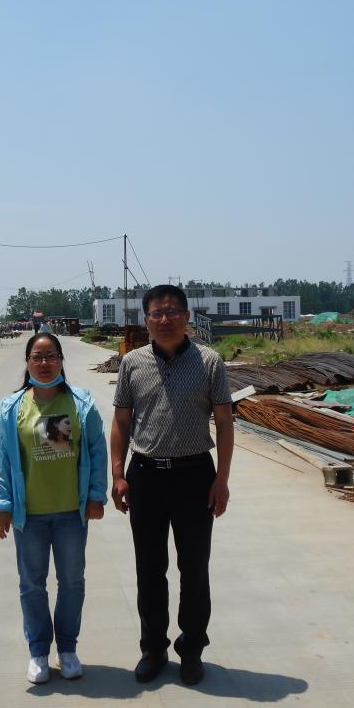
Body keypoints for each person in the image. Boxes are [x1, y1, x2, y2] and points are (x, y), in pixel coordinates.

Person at [110, 285, 233, 685]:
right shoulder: (132, 363)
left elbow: (225, 424)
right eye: (157, 314)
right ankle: (154, 648)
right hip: (145, 476)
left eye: (172, 312)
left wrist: (222, 480)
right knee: (149, 569)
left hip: (195, 476)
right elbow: (122, 422)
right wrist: (118, 473)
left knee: (194, 568)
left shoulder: (209, 362)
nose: (165, 320)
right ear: (146, 319)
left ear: (187, 316)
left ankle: (192, 648)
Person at [0, 333, 107, 684]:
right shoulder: (12, 409)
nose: (44, 363)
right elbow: (0, 460)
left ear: (61, 360)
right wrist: (1, 505)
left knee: (72, 582)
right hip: (30, 517)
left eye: (51, 356)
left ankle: (67, 650)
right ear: (27, 362)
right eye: (37, 357)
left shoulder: (81, 404)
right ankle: (38, 652)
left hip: (71, 513)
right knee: (31, 585)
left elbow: (97, 449)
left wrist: (96, 495)